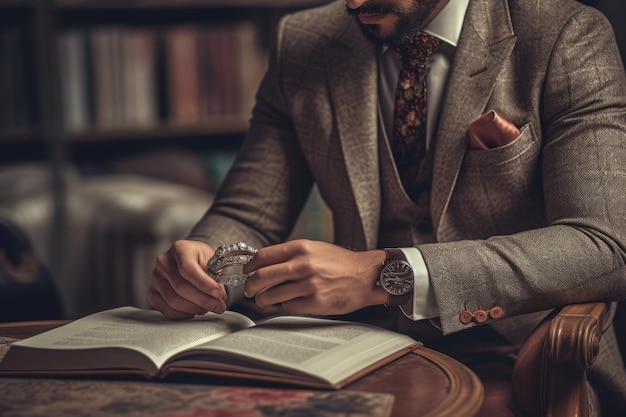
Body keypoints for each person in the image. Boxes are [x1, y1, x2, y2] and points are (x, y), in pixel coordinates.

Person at [149, 0, 626, 414]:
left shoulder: (566, 35)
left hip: (519, 357)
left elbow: (605, 244)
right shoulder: (302, 41)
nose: (355, 3)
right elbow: (249, 213)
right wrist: (205, 261)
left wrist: (383, 274)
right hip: (346, 353)